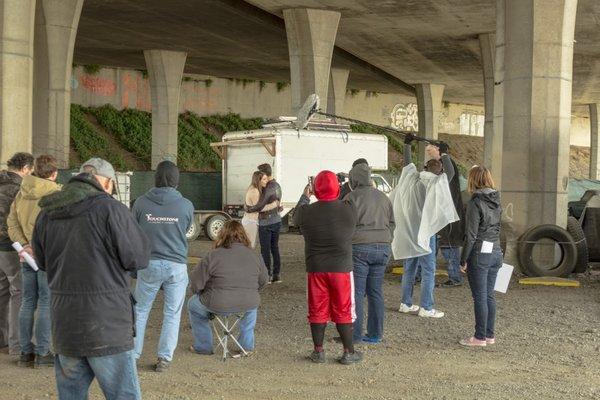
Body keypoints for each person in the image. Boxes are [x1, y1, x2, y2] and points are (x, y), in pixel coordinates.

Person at [32, 158, 150, 399]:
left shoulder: (48, 212)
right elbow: (137, 258)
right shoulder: (111, 209)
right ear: (106, 183)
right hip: (108, 324)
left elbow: (42, 263)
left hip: (65, 324)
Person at [131, 161, 194, 372]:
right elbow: (185, 229)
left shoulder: (140, 203)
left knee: (140, 310)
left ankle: (132, 355)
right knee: (172, 313)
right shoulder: (186, 205)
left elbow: (133, 232)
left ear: (155, 177)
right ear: (176, 180)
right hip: (176, 265)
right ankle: (164, 359)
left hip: (147, 264)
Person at [294, 170, 362, 365]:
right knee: (344, 309)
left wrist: (305, 196)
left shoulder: (307, 212)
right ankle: (348, 352)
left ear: (315, 189)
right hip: (341, 268)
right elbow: (344, 198)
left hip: (315, 267)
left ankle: (318, 351)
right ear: (337, 187)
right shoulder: (348, 209)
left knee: (317, 308)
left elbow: (296, 218)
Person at [391, 135, 459, 319]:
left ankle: (405, 303)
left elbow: (407, 164)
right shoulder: (436, 183)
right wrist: (444, 152)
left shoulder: (411, 179)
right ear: (439, 172)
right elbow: (451, 173)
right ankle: (426, 307)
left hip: (408, 232)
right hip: (425, 233)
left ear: (425, 168)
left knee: (409, 268)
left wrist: (407, 144)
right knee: (428, 270)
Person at [8, 155, 60, 367]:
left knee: (28, 302)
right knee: (46, 302)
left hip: (26, 256)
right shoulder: (56, 194)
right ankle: (42, 352)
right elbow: (58, 227)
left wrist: (26, 245)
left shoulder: (21, 193)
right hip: (48, 255)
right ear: (54, 173)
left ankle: (25, 353)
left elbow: (11, 223)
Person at [188, 220, 268, 355]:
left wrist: (201, 293)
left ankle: (204, 347)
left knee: (193, 305)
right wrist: (250, 291)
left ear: (221, 235)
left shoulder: (212, 255)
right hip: (247, 301)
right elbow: (264, 281)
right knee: (251, 309)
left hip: (216, 302)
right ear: (244, 235)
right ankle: (246, 346)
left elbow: (196, 284)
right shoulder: (255, 255)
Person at [343, 161, 394, 344]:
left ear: (354, 179)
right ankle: (375, 334)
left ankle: (354, 335)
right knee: (375, 292)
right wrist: (387, 238)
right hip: (383, 247)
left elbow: (345, 225)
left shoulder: (351, 197)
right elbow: (392, 223)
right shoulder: (383, 197)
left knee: (356, 292)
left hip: (359, 248)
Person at [459, 166, 503, 347]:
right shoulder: (497, 200)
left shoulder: (475, 202)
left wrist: (463, 259)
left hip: (479, 254)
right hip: (496, 251)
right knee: (489, 295)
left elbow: (471, 235)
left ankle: (479, 338)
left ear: (473, 180)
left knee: (480, 297)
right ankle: (489, 335)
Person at [0, 152, 34, 356]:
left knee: (2, 291)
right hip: (9, 246)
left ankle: (2, 339)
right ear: (25, 169)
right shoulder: (19, 189)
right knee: (18, 291)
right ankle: (16, 345)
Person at [426, 143, 466, 287]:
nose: (430, 155)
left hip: (449, 214)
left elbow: (449, 173)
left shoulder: (446, 165)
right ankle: (453, 277)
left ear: (438, 150)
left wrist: (444, 154)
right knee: (444, 245)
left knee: (448, 246)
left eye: (431, 152)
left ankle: (454, 277)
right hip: (446, 213)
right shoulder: (444, 165)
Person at [245, 163, 283, 283]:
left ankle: (267, 276)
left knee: (265, 250)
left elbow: (259, 207)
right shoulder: (277, 185)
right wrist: (277, 206)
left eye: (262, 175)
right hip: (277, 220)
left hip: (266, 223)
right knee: (275, 248)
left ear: (265, 174)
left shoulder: (267, 187)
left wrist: (248, 208)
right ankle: (276, 275)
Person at [242, 171, 279, 248]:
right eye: (264, 179)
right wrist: (274, 204)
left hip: (250, 220)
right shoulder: (255, 191)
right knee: (250, 246)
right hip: (251, 222)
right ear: (258, 180)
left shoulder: (254, 188)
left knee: (249, 245)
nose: (267, 181)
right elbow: (260, 208)